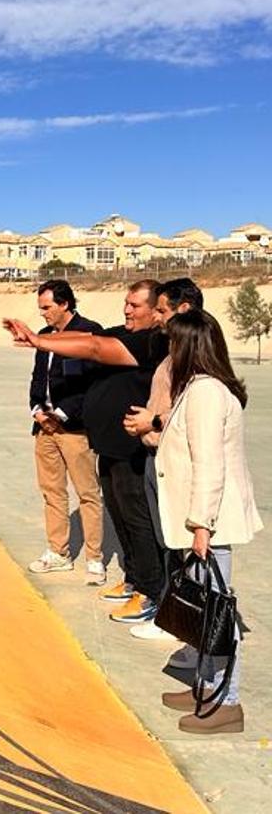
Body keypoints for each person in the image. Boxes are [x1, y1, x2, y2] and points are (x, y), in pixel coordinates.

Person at [4, 280, 166, 624]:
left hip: (130, 447)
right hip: (109, 442)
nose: (127, 310)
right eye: (126, 303)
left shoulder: (152, 341)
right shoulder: (123, 332)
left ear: (157, 310)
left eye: (135, 305)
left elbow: (92, 348)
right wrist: (39, 339)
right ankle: (135, 579)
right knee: (121, 517)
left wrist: (38, 339)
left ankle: (151, 592)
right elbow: (71, 345)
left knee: (137, 519)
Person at [154, 309, 261, 734]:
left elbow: (210, 465)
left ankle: (227, 702)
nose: (168, 352)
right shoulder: (199, 388)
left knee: (217, 612)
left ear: (188, 346)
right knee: (202, 610)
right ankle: (205, 685)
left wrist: (201, 524)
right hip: (201, 521)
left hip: (208, 523)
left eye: (172, 343)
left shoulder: (205, 393)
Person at [122, 278, 204, 641]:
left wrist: (151, 421)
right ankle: (174, 615)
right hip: (159, 456)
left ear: (183, 309)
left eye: (162, 310)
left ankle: (180, 622)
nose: (156, 316)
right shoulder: (173, 350)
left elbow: (195, 407)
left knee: (184, 548)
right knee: (168, 541)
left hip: (179, 464)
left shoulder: (197, 354)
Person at [24, 281, 105, 583]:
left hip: (74, 428)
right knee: (52, 492)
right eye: (40, 308)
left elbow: (91, 385)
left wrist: (60, 415)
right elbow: (38, 379)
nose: (42, 313)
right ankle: (58, 553)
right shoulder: (43, 337)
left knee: (87, 493)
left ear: (65, 304)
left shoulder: (89, 333)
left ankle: (95, 559)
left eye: (46, 307)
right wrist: (37, 411)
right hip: (43, 428)